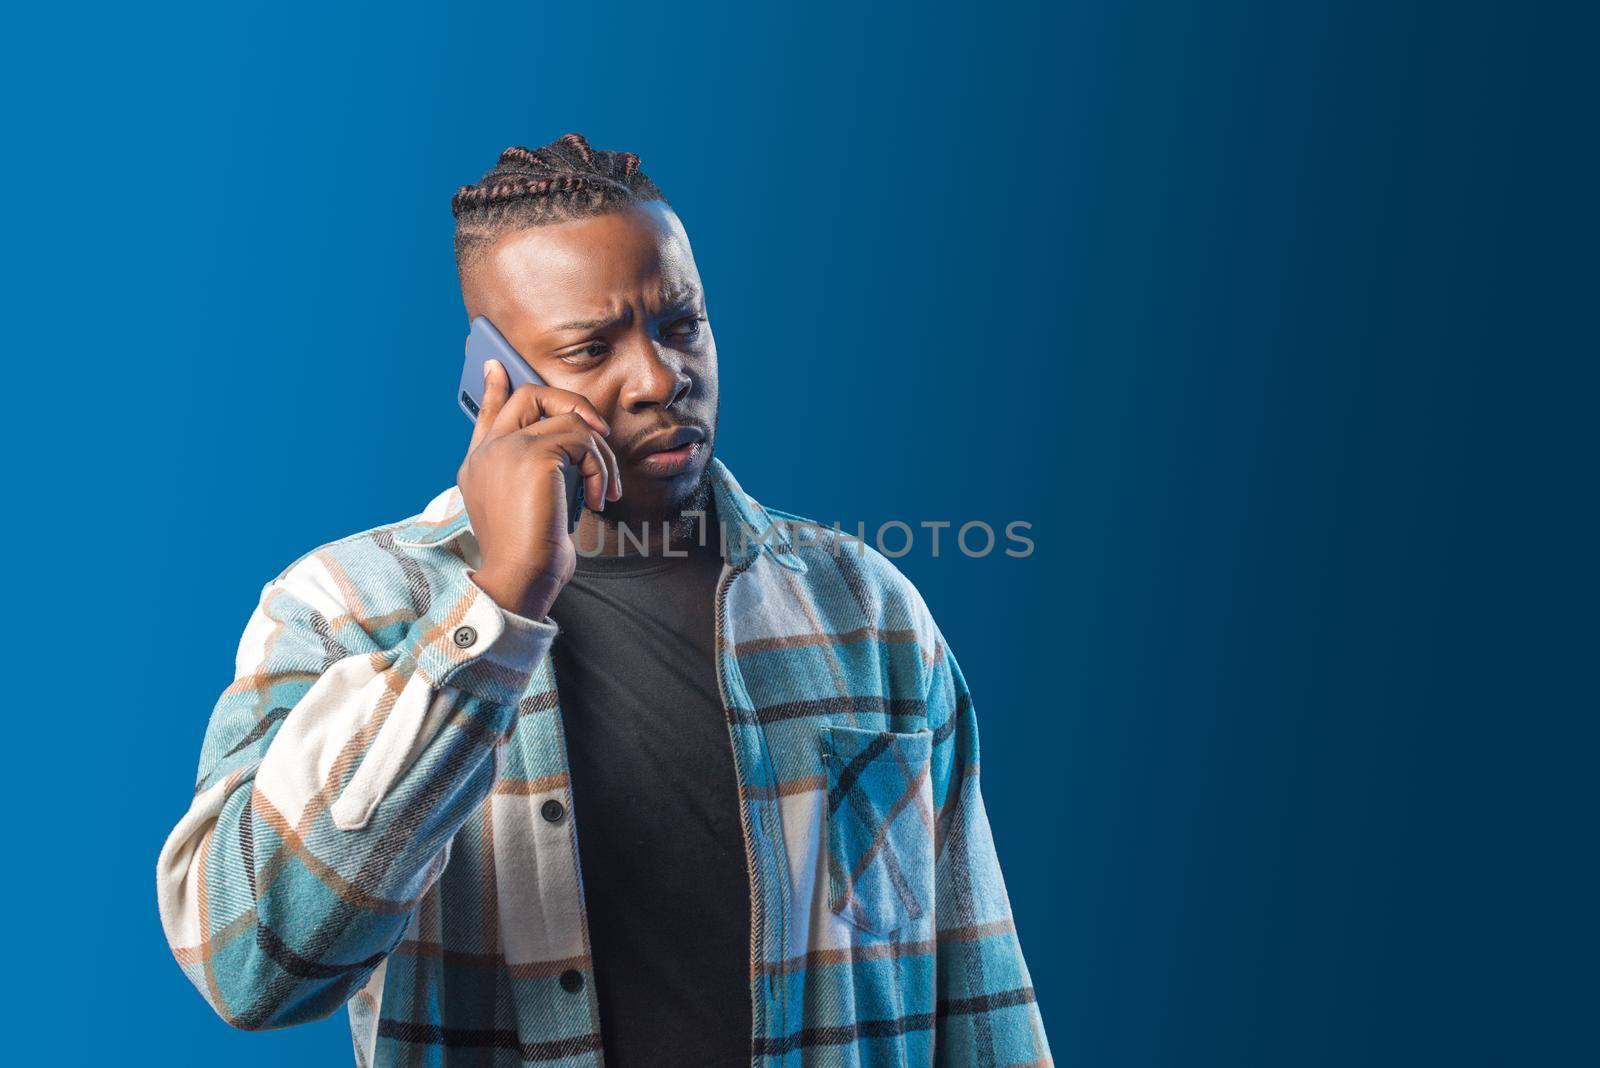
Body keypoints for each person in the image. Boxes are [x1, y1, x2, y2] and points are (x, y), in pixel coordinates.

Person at [155, 132, 1052, 1067]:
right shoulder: (343, 610)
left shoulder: (867, 609)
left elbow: (978, 985)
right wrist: (499, 604)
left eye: (681, 325)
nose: (662, 379)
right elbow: (255, 969)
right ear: (493, 376)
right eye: (590, 347)